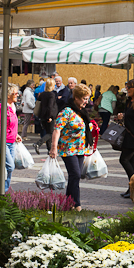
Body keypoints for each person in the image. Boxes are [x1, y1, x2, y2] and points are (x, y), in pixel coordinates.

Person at [50, 84, 95, 212]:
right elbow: (57, 130)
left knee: (75, 175)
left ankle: (68, 202)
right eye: (84, 99)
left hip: (80, 149)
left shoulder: (81, 111)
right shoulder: (67, 111)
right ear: (76, 97)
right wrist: (54, 147)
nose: (87, 101)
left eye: (88, 99)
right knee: (75, 174)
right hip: (68, 148)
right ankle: (77, 204)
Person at [0, 83, 22, 191]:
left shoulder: (12, 107)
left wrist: (16, 134)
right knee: (10, 166)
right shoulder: (1, 108)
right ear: (8, 95)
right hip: (2, 141)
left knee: (8, 168)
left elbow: (10, 124)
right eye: (15, 93)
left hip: (11, 141)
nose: (17, 95)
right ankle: (0, 189)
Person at [33, 78, 58, 155]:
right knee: (50, 133)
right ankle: (38, 143)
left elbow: (39, 103)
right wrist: (50, 116)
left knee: (48, 132)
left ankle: (49, 149)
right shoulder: (51, 95)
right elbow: (50, 106)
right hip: (48, 116)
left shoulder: (42, 94)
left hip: (42, 116)